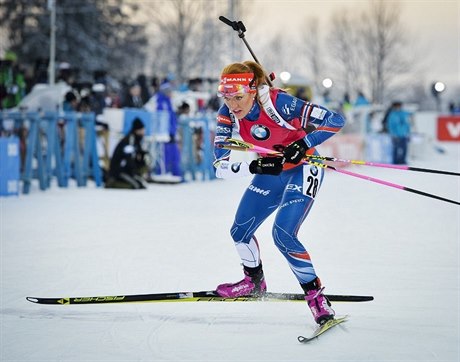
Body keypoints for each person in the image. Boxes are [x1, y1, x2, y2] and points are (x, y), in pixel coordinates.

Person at [212, 61, 345, 326]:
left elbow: (336, 119)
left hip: (305, 167)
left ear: (252, 91)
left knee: (282, 234)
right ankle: (253, 282)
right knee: (240, 231)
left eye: (238, 97)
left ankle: (316, 298)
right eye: (227, 98)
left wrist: (303, 143)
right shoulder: (226, 114)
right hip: (271, 173)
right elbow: (220, 165)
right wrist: (253, 165)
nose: (233, 105)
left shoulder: (280, 103)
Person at [105, 118, 148, 189]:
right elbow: (129, 159)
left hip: (127, 170)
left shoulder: (137, 140)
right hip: (119, 171)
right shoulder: (129, 140)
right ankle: (112, 183)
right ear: (136, 130)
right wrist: (134, 170)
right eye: (141, 130)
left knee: (141, 185)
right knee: (135, 186)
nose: (143, 133)